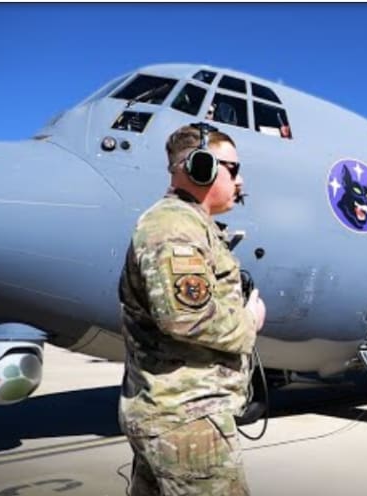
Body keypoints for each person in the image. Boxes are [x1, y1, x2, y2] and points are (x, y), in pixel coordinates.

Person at [118, 123, 266, 496]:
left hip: (176, 415)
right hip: (188, 420)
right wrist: (249, 321)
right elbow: (186, 317)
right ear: (202, 167)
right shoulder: (174, 227)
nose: (240, 181)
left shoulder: (191, 225)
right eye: (233, 169)